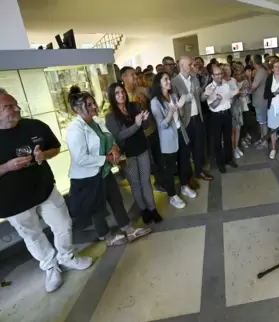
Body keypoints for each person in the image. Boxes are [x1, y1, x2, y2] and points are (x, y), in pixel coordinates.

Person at [0, 90, 92, 293]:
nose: (17, 109)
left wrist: (44, 155)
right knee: (33, 236)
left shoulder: (34, 126)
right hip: (12, 202)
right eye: (9, 107)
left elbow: (55, 148)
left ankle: (66, 257)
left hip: (45, 189)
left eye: (16, 104)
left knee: (64, 224)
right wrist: (7, 167)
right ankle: (50, 267)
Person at [66, 86, 152, 247]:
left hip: (104, 171)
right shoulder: (74, 130)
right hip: (88, 176)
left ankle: (128, 228)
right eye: (89, 105)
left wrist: (113, 148)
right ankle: (106, 236)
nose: (94, 107)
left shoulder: (97, 121)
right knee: (98, 207)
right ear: (77, 109)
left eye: (93, 103)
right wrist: (107, 157)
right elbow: (81, 158)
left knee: (116, 199)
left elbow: (109, 137)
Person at [105, 83, 162, 224]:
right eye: (117, 93)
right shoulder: (111, 116)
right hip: (127, 154)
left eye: (122, 92)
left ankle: (152, 209)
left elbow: (145, 127)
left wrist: (145, 120)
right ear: (112, 96)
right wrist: (136, 125)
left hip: (141, 148)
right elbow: (119, 136)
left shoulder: (134, 106)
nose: (121, 95)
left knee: (146, 181)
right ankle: (144, 210)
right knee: (135, 184)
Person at [150, 72, 197, 209]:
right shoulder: (155, 102)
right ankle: (172, 195)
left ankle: (184, 186)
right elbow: (162, 125)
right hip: (168, 138)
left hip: (180, 133)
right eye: (165, 79)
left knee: (184, 162)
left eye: (169, 79)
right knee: (169, 169)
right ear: (159, 83)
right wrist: (171, 112)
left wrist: (180, 108)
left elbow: (181, 116)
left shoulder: (173, 96)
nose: (169, 81)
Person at [172, 57, 213, 183]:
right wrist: (183, 101)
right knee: (185, 151)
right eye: (190, 64)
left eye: (193, 64)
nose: (193, 66)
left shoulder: (194, 79)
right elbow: (174, 104)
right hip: (185, 121)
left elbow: (199, 98)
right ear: (182, 66)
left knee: (198, 147)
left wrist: (206, 94)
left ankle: (199, 171)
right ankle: (188, 177)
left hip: (197, 118)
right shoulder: (174, 82)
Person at [203, 65, 239, 173]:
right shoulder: (209, 88)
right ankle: (220, 163)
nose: (220, 76)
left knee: (228, 138)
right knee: (217, 140)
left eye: (220, 73)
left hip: (227, 113)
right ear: (212, 76)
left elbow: (230, 99)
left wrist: (233, 96)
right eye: (217, 74)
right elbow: (212, 106)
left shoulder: (226, 85)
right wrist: (219, 99)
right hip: (216, 116)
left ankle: (229, 159)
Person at [248, 55, 269, 148]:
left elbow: (252, 88)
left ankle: (264, 142)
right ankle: (262, 139)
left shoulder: (260, 72)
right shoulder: (261, 71)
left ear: (254, 62)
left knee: (263, 122)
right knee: (262, 121)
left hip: (261, 101)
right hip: (261, 100)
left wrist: (248, 77)